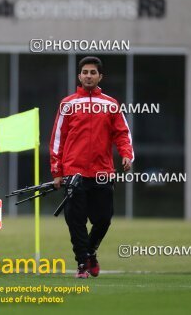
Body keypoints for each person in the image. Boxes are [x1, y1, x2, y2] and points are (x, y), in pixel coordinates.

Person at [49, 56, 134, 278]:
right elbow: (58, 139)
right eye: (85, 72)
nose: (88, 75)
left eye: (92, 72)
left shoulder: (111, 104)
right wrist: (57, 172)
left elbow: (122, 134)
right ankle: (82, 265)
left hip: (103, 173)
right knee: (75, 221)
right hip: (73, 173)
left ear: (100, 76)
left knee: (104, 218)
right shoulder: (67, 104)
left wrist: (126, 155)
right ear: (79, 76)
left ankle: (91, 251)